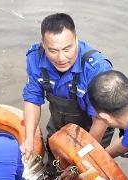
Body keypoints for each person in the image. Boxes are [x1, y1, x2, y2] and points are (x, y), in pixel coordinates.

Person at [21, 13, 114, 160]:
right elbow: (32, 98)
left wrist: (80, 157)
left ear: (76, 40)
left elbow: (101, 119)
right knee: (53, 162)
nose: (61, 58)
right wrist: (29, 139)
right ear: (43, 44)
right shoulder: (35, 58)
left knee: (86, 171)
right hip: (59, 123)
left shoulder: (97, 69)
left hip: (94, 128)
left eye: (67, 49)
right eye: (53, 50)